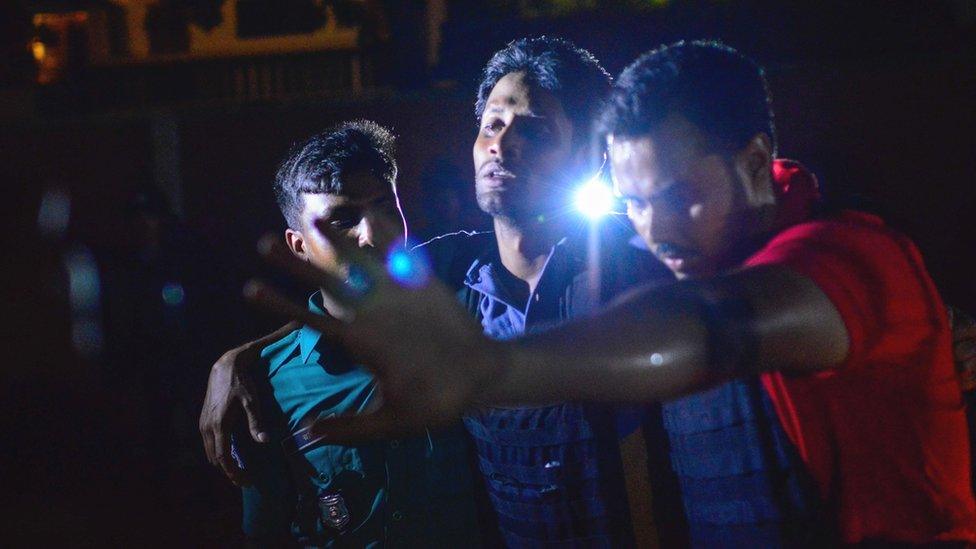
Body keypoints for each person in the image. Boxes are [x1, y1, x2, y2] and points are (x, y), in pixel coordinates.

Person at [248, 41, 976, 545]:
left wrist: (494, 371)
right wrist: (246, 361)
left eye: (676, 192)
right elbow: (360, 292)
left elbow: (718, 326)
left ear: (756, 163)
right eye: (634, 198)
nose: (654, 226)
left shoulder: (847, 256)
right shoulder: (474, 272)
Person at [227, 120, 483, 546]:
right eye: (341, 219)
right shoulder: (268, 384)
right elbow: (266, 532)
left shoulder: (465, 320)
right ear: (297, 246)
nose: (369, 236)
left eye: (384, 208)